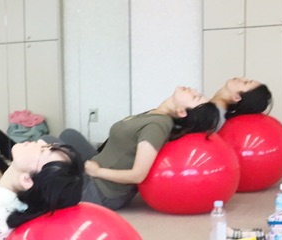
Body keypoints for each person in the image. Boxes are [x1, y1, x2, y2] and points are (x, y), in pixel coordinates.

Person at [56, 86, 220, 210]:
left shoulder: (157, 126)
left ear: (182, 111)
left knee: (49, 144)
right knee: (69, 135)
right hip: (96, 163)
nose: (192, 90)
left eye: (195, 97)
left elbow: (138, 175)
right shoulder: (156, 113)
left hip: (102, 190)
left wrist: (97, 172)